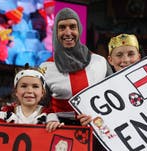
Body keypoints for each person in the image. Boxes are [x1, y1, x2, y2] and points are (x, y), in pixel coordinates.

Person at [39, 8, 113, 151]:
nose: (67, 32)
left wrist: (98, 116)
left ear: (79, 29)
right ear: (56, 32)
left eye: (72, 27)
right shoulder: (45, 68)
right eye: (62, 28)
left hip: (98, 136)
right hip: (60, 138)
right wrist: (51, 118)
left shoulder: (100, 62)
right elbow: (39, 107)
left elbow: (114, 100)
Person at [0, 66, 63, 132]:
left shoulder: (49, 116)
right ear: (16, 91)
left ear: (42, 92)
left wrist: (56, 126)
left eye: (35, 86)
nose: (29, 91)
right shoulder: (5, 114)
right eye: (24, 86)